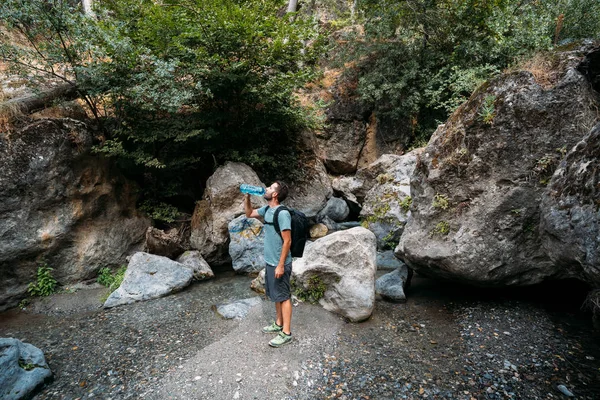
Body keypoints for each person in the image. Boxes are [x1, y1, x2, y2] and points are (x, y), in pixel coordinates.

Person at [244, 181, 293, 347]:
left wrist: (280, 265)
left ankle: (286, 333)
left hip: (280, 262)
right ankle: (278, 323)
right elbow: (249, 213)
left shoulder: (282, 213)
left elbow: (287, 241)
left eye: (270, 188)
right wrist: (247, 197)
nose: (266, 189)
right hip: (271, 261)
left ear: (275, 195)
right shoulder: (267, 210)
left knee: (284, 296)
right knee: (276, 295)